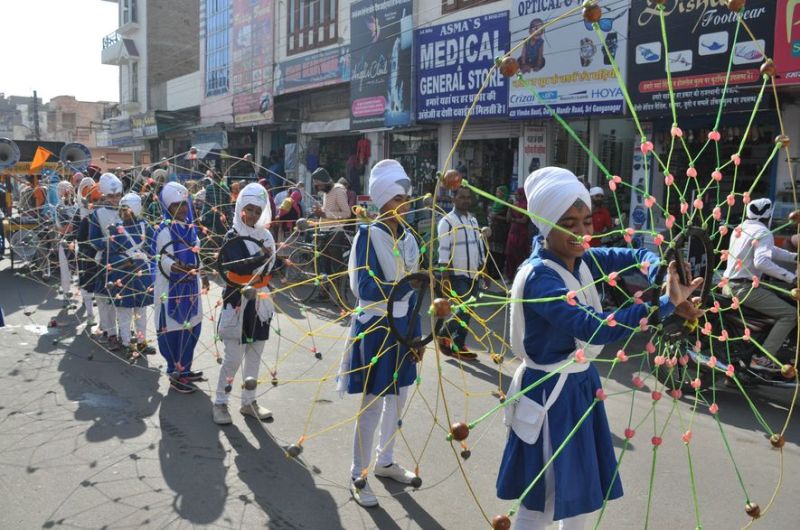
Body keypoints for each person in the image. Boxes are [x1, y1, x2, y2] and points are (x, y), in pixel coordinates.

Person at [496, 167, 702, 530]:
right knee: (541, 503)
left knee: (578, 496)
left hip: (579, 388)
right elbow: (593, 328)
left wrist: (662, 273)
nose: (582, 233)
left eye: (586, 221)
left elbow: (635, 256)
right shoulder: (540, 277)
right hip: (549, 396)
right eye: (570, 223)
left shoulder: (581, 257)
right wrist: (664, 304)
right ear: (545, 224)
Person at [336, 159, 422, 508]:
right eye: (398, 200)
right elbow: (364, 286)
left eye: (406, 200)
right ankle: (358, 473)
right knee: (372, 403)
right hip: (374, 328)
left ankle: (385, 461)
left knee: (399, 399)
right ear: (384, 201)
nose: (404, 206)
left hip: (404, 328)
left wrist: (418, 337)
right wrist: (401, 289)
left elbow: (418, 289)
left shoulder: (412, 239)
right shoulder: (368, 236)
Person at [212, 183, 277, 425]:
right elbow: (237, 265)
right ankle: (220, 403)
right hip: (237, 300)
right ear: (240, 207)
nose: (252, 215)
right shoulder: (232, 236)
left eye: (257, 211)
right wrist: (263, 257)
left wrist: (276, 259)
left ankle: (249, 402)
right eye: (248, 209)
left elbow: (271, 268)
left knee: (255, 354)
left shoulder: (265, 235)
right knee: (233, 358)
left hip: (260, 303)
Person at [722, 198, 798, 371]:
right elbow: (762, 261)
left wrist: (794, 257)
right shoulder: (763, 232)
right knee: (790, 314)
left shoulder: (741, 229)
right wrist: (791, 278)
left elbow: (769, 250)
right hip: (744, 289)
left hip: (729, 286)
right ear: (769, 215)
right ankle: (763, 358)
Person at [155, 182, 210, 393]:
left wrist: (202, 274)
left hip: (191, 288)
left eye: (184, 204)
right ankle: (175, 373)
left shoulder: (190, 228)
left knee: (192, 327)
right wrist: (178, 267)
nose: (183, 210)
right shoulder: (163, 230)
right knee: (173, 331)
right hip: (171, 290)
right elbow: (163, 259)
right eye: (177, 206)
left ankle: (185, 369)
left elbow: (197, 253)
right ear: (168, 208)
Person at [437, 186, 486, 360]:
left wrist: (482, 267)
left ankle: (459, 344)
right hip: (457, 274)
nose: (466, 200)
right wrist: (444, 277)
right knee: (464, 308)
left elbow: (478, 245)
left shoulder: (473, 221)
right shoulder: (447, 222)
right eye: (462, 197)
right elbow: (443, 250)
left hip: (473, 273)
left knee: (469, 310)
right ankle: (444, 333)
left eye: (468, 197)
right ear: (453, 200)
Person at [107, 193, 156, 356]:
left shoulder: (145, 226)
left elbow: (151, 248)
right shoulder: (114, 227)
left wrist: (148, 258)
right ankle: (127, 343)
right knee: (124, 311)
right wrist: (127, 260)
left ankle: (141, 342)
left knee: (141, 310)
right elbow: (112, 253)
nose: (124, 212)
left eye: (127, 209)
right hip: (123, 272)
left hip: (141, 273)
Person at [87, 173, 124, 350]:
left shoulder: (129, 209)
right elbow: (93, 240)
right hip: (106, 263)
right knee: (105, 300)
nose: (115, 199)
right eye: (111, 196)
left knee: (126, 300)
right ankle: (111, 334)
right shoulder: (98, 214)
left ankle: (127, 333)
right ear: (104, 195)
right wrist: (109, 242)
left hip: (127, 263)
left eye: (118, 195)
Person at [312, 167, 352, 295]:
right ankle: (324, 293)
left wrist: (324, 214)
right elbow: (327, 211)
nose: (318, 188)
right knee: (323, 264)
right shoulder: (326, 192)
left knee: (335, 265)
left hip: (335, 232)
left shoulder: (338, 191)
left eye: (319, 185)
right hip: (324, 231)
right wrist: (319, 211)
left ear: (325, 181)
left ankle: (340, 295)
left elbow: (347, 213)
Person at [71, 178, 102, 327]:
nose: (96, 202)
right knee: (87, 285)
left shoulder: (103, 215)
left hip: (99, 256)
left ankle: (105, 324)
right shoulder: (83, 216)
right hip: (87, 254)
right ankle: (90, 315)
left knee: (101, 288)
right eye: (94, 199)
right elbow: (78, 236)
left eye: (99, 199)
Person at [506, 187, 532, 278]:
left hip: (522, 233)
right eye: (516, 194)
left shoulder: (527, 205)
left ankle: (521, 277)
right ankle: (510, 276)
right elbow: (508, 219)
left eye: (518, 194)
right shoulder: (515, 205)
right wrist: (509, 207)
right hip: (513, 232)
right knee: (510, 254)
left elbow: (524, 220)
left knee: (520, 255)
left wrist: (514, 219)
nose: (516, 196)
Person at [489, 185, 510, 280]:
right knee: (492, 251)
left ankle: (498, 273)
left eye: (499, 192)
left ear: (503, 193)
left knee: (500, 253)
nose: (497, 194)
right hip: (494, 229)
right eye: (496, 192)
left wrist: (496, 217)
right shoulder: (496, 203)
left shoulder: (506, 204)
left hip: (501, 230)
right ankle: (491, 271)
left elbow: (508, 219)